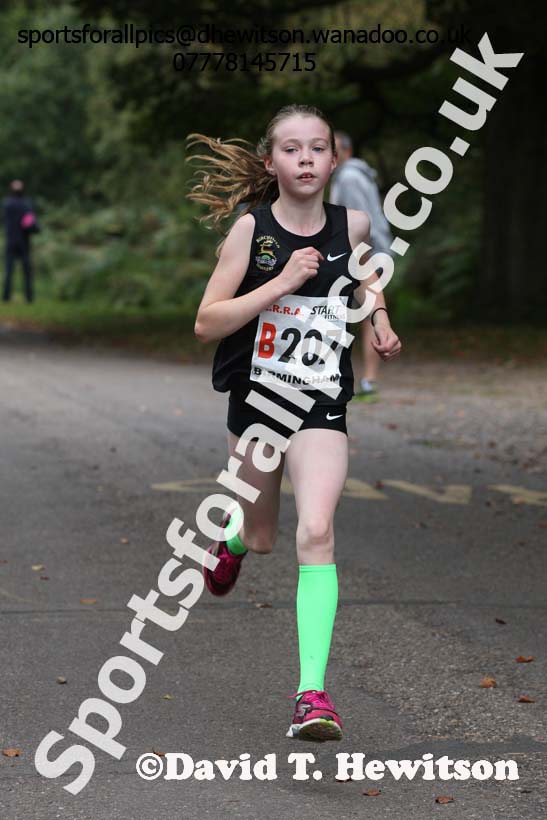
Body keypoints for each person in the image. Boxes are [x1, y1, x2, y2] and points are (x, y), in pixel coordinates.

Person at [186, 104, 402, 742]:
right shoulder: (250, 231)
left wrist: (379, 316)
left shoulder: (352, 223)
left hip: (321, 402)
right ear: (271, 162)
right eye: (292, 148)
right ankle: (229, 542)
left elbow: (366, 276)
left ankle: (313, 695)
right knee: (262, 537)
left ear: (333, 160)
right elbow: (206, 322)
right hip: (258, 402)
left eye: (317, 148)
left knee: (316, 530)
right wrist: (279, 284)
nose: (306, 158)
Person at [330, 131, 394, 401]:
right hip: (372, 250)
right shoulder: (356, 175)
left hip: (364, 253)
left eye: (332, 149)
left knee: (367, 315)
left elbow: (357, 223)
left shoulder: (349, 177)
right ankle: (362, 379)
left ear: (347, 150)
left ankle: (367, 380)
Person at [2, 179, 37, 303]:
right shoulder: (27, 203)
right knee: (27, 271)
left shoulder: (7, 203)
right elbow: (32, 221)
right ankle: (29, 297)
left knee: (9, 271)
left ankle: (6, 297)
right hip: (24, 241)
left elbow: (3, 220)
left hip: (11, 240)